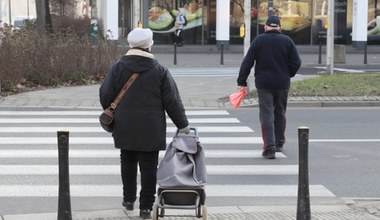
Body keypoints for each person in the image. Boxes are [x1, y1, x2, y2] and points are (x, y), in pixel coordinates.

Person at [99, 28, 190, 219]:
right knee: (149, 165)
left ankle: (128, 200)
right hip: (151, 126)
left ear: (130, 45)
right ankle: (146, 207)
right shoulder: (160, 71)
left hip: (125, 125)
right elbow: (172, 101)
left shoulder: (117, 68)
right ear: (149, 45)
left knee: (127, 160)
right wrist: (183, 125)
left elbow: (105, 95)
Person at [236, 15, 301, 160]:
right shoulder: (287, 41)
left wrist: (242, 81)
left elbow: (248, 62)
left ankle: (269, 148)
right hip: (282, 83)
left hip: (264, 83)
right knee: (280, 112)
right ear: (280, 28)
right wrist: (287, 74)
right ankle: (279, 142)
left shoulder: (259, 40)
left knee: (266, 114)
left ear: (265, 27)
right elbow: (296, 63)